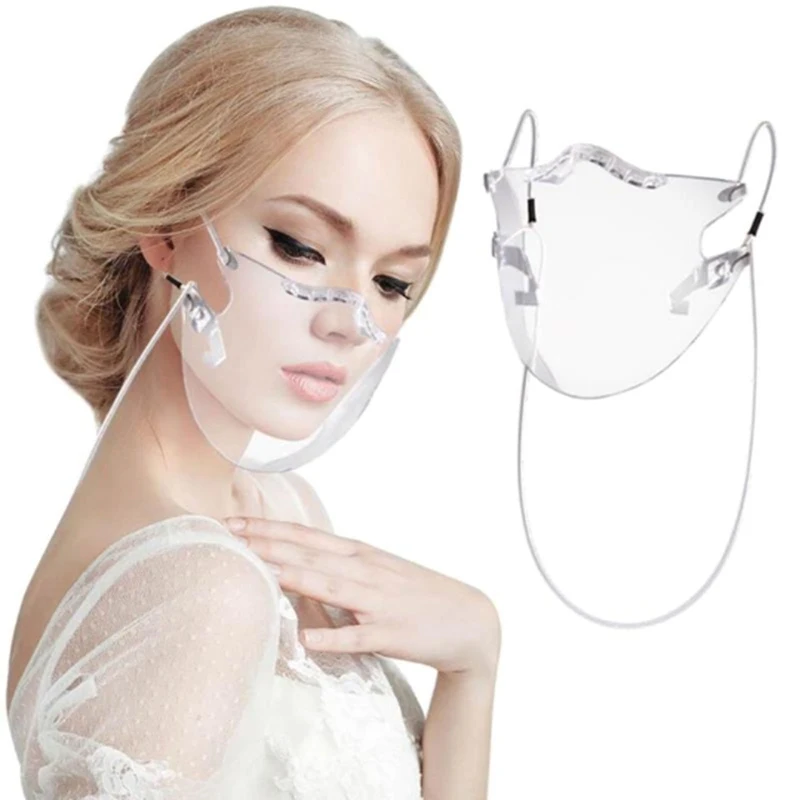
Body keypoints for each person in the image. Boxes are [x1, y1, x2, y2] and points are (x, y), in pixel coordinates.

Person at [5, 7, 500, 799]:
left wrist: (472, 660)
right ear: (167, 223)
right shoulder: (197, 586)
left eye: (391, 282)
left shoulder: (281, 511)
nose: (349, 321)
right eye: (300, 246)